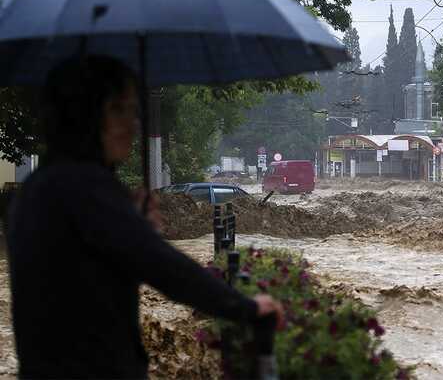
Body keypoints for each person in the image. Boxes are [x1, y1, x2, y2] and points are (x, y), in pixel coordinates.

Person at [6, 55, 284, 379]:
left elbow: (85, 278)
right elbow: (165, 268)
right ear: (83, 115)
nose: (132, 123)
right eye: (118, 109)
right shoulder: (84, 187)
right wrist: (246, 308)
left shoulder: (37, 188)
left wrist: (132, 224)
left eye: (133, 110)